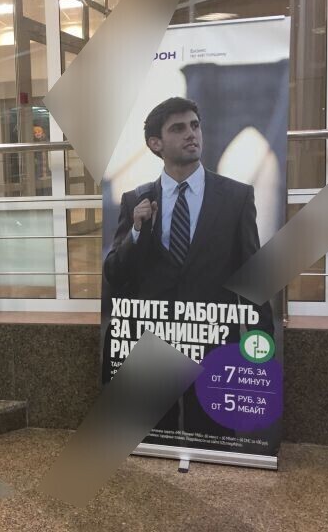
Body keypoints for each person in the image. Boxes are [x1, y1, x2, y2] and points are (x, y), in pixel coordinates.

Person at [103, 96, 273, 447]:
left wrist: (261, 347)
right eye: (178, 128)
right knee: (151, 446)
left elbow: (252, 276)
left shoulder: (237, 197)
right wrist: (136, 231)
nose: (191, 134)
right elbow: (115, 274)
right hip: (152, 345)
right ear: (156, 144)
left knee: (213, 445)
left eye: (195, 125)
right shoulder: (135, 200)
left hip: (213, 343)